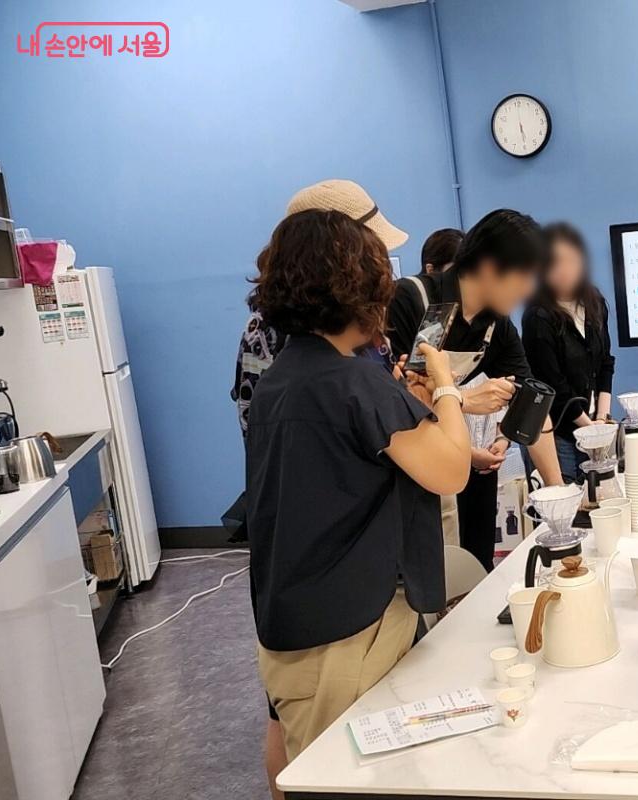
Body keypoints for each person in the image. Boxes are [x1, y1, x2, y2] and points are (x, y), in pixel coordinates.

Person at [246, 208, 470, 764]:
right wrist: (445, 388)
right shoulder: (353, 380)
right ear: (361, 286)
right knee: (350, 772)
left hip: (291, 613)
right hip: (345, 630)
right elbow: (452, 470)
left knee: (304, 760)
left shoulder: (283, 376)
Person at [229, 178, 408, 800]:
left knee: (289, 712)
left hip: (296, 560)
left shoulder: (292, 343)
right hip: (325, 565)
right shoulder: (313, 348)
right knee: (321, 732)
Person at [388, 209, 564, 571]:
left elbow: (532, 401)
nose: (528, 288)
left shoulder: (494, 325)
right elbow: (399, 400)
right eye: (523, 275)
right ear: (487, 266)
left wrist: (558, 496)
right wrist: (465, 399)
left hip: (465, 467)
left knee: (474, 570)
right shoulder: (412, 298)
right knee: (430, 583)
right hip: (412, 478)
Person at [521, 223, 616, 481]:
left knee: (603, 496)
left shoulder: (594, 303)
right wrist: (590, 430)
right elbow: (553, 385)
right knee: (569, 505)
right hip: (557, 430)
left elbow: (605, 362)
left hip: (595, 423)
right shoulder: (538, 317)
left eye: (570, 261)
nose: (563, 270)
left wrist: (602, 419)